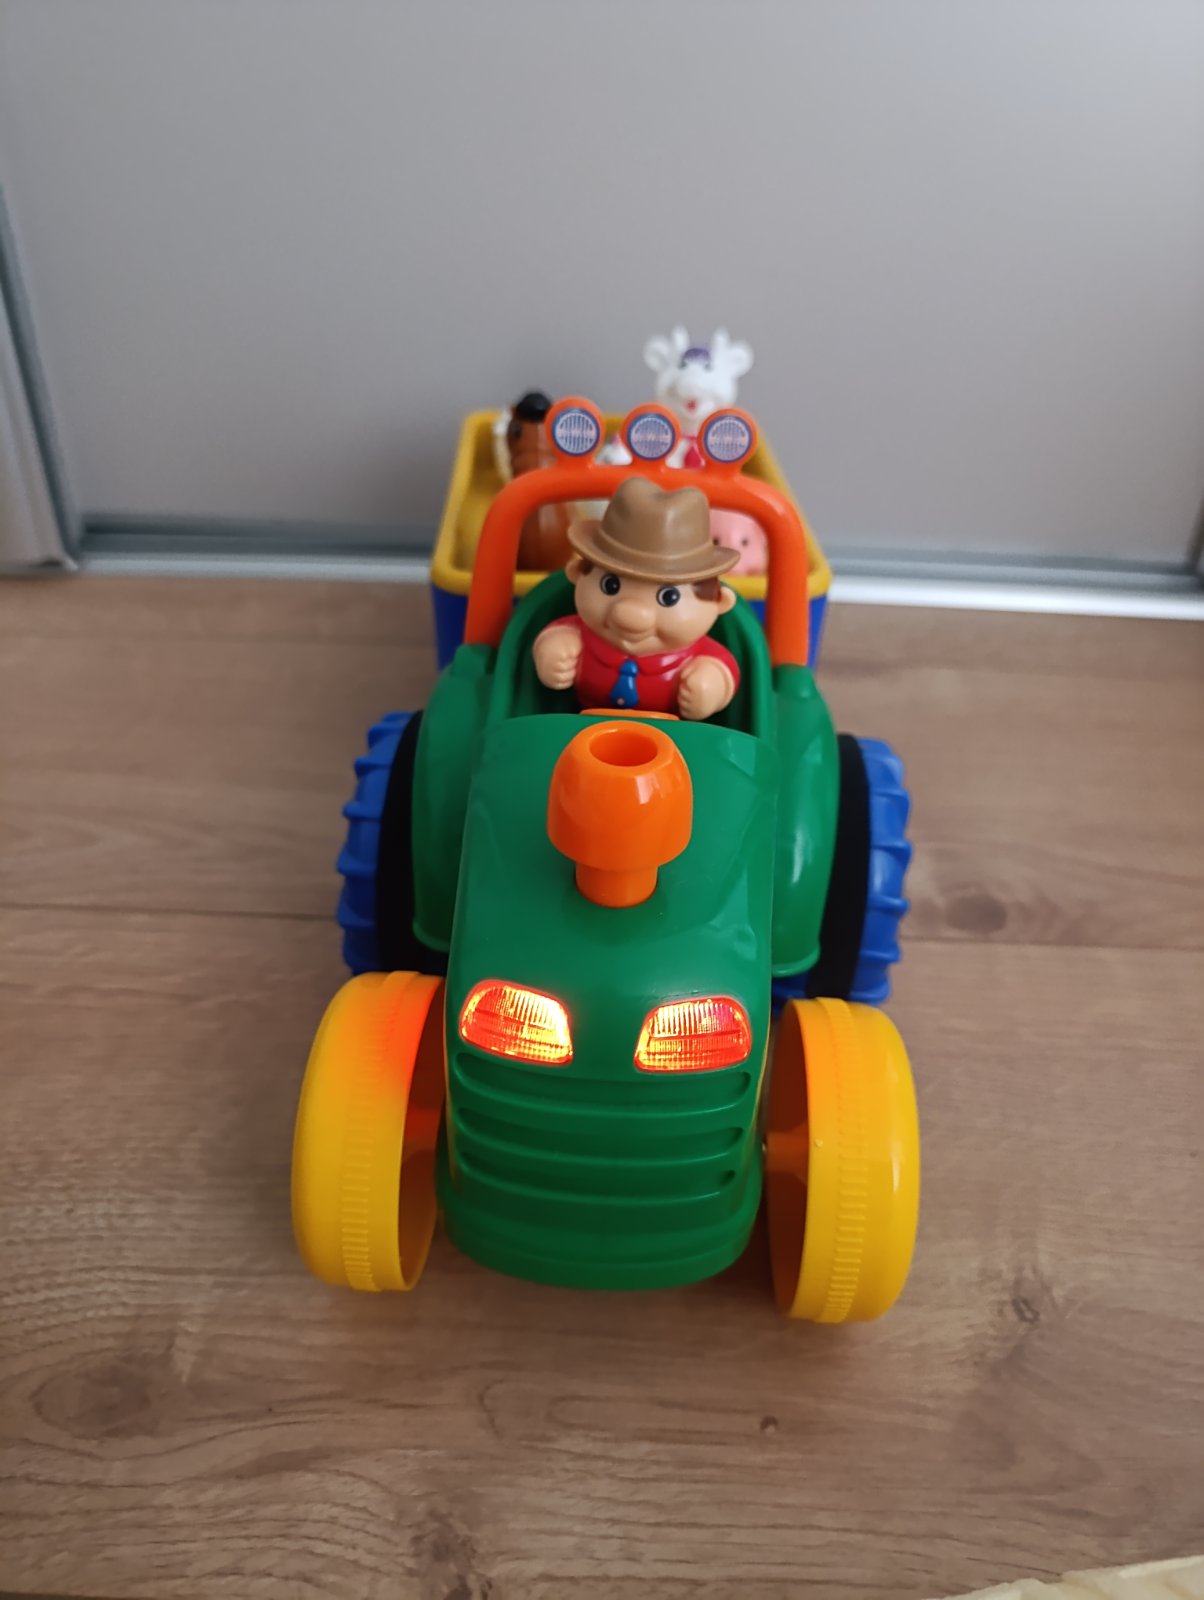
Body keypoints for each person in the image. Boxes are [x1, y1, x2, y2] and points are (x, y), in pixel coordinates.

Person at [532, 477, 741, 721]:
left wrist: (712, 685)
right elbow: (559, 632)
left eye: (669, 597)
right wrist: (552, 650)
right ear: (577, 575)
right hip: (582, 722)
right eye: (611, 585)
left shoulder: (698, 654)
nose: (629, 615)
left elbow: (723, 668)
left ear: (719, 602)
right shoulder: (582, 633)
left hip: (673, 734)